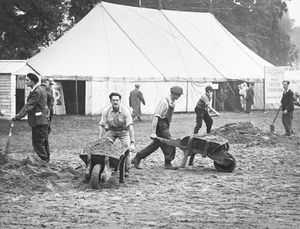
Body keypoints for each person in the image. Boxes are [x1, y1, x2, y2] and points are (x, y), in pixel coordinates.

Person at [131, 86, 183, 170]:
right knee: (171, 143)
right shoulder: (164, 102)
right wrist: (153, 132)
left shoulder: (172, 102)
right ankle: (168, 163)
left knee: (156, 144)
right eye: (178, 95)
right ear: (173, 94)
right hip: (161, 125)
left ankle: (137, 158)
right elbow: (156, 117)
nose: (179, 97)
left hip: (165, 125)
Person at [94, 92, 135, 177]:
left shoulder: (125, 111)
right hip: (111, 130)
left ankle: (126, 169)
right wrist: (99, 140)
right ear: (110, 101)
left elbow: (130, 127)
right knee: (105, 146)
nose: (115, 102)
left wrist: (132, 143)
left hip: (124, 131)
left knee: (126, 147)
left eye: (117, 100)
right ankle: (106, 165)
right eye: (113, 100)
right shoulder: (106, 111)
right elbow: (101, 125)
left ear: (120, 101)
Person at [12, 73, 50, 162]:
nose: (25, 82)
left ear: (33, 81)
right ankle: (46, 160)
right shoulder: (40, 89)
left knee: (37, 143)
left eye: (27, 80)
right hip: (43, 120)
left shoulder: (36, 91)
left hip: (39, 121)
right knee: (43, 142)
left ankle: (44, 161)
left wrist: (17, 117)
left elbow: (28, 106)